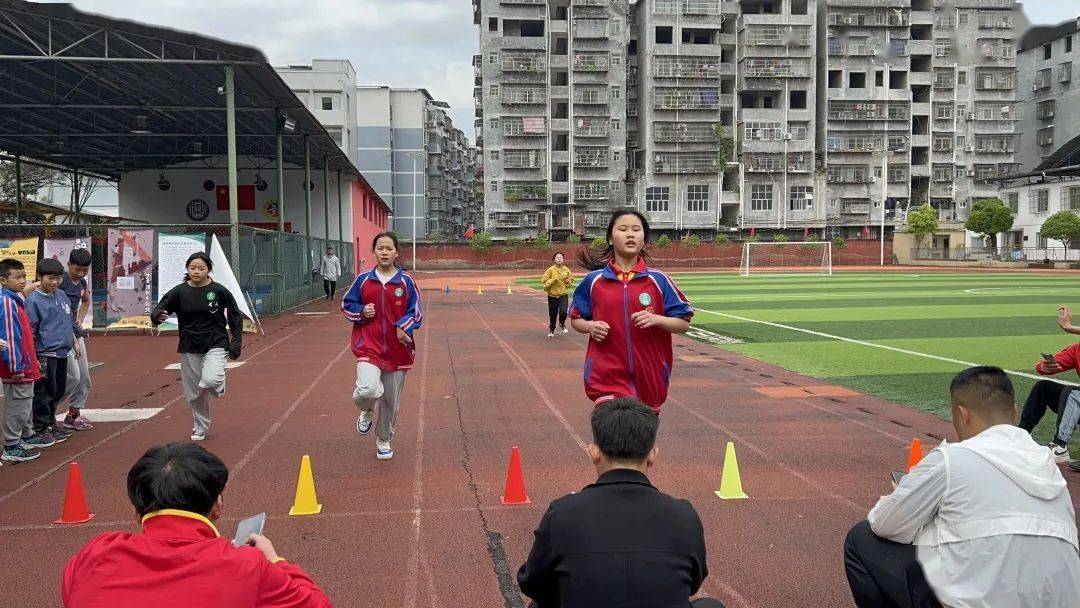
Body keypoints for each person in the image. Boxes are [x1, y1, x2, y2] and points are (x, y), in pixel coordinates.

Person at [844, 366, 1080, 608]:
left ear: (962, 414)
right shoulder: (1047, 465)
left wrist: (903, 493)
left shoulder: (952, 458)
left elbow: (885, 524)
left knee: (861, 539)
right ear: (1015, 412)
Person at [62, 443, 332, 607]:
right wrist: (275, 561)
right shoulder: (246, 566)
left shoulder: (95, 554)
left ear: (137, 511)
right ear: (218, 505)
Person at [517, 398, 720, 608]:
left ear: (593, 452)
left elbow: (532, 584)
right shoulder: (684, 515)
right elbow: (694, 582)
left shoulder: (561, 513)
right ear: (652, 455)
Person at [569, 209, 693, 413]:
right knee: (611, 438)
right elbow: (576, 318)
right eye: (623, 229)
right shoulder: (594, 282)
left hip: (650, 378)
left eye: (636, 230)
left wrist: (657, 319)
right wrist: (590, 326)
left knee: (641, 443)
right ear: (610, 238)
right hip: (606, 377)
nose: (630, 234)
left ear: (643, 240)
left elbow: (683, 323)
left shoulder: (659, 281)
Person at [342, 232, 422, 460]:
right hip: (368, 345)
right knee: (367, 389)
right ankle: (366, 409)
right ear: (374, 252)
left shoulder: (406, 282)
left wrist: (402, 326)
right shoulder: (364, 280)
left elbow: (415, 311)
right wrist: (361, 312)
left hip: (398, 351)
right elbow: (347, 305)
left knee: (390, 400)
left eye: (389, 248)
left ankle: (384, 439)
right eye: (380, 248)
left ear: (396, 252)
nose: (384, 252)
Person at [151, 252, 243, 442]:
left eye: (201, 268)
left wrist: (236, 343)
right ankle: (200, 427)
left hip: (216, 341)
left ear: (209, 269)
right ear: (187, 269)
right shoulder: (179, 292)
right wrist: (158, 315)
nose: (196, 271)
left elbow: (235, 316)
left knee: (210, 380)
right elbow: (161, 307)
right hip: (189, 344)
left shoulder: (219, 291)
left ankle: (218, 384)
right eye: (193, 268)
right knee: (194, 393)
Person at [0, 259, 50, 463]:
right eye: (17, 277)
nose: (23, 281)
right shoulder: (7, 302)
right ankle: (11, 444)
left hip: (24, 362)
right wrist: (16, 366)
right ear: (3, 280)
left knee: (25, 401)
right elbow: (11, 336)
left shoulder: (15, 299)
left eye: (24, 276)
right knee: (18, 404)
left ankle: (27, 435)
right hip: (16, 366)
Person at [1018, 305, 1080, 467]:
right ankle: (1021, 436)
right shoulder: (1077, 351)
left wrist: (1069, 328)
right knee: (1043, 387)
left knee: (1073, 392)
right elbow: (1046, 366)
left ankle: (1059, 446)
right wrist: (1044, 366)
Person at [27, 258, 78, 445]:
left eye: (58, 278)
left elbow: (67, 321)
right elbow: (31, 330)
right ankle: (40, 426)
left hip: (62, 351)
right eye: (50, 278)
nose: (55, 282)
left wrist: (74, 342)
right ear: (39, 277)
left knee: (59, 388)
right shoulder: (34, 301)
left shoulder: (62, 296)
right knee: (44, 391)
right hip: (45, 353)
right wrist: (33, 356)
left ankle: (50, 421)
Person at [56, 248, 93, 432]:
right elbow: (33, 290)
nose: (80, 274)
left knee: (84, 377)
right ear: (68, 265)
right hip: (60, 336)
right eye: (77, 269)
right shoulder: (59, 281)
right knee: (72, 377)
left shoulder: (82, 282)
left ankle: (73, 415)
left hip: (75, 333)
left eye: (84, 270)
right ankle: (44, 413)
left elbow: (86, 300)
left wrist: (79, 317)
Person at [541, 252, 573, 338]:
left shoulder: (566, 270)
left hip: (563, 295)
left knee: (563, 312)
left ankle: (562, 323)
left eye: (561, 257)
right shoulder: (550, 270)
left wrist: (567, 281)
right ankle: (552, 329)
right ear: (554, 260)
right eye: (557, 257)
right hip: (552, 296)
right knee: (553, 314)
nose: (559, 259)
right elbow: (544, 283)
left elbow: (570, 283)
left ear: (563, 260)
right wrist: (552, 280)